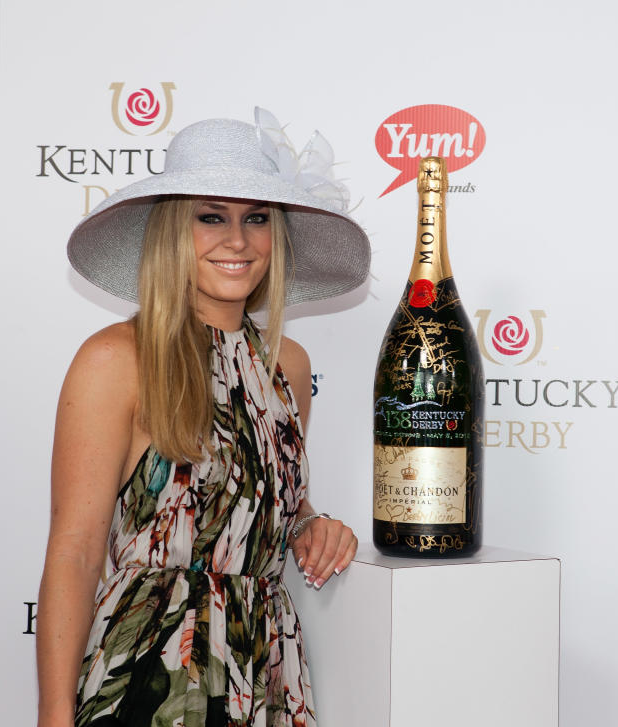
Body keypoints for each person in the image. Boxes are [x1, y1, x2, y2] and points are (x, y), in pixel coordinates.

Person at [36, 108, 371, 727]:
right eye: (210, 217)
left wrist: (312, 527)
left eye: (257, 219)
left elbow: (261, 506)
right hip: (150, 674)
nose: (237, 241)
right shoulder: (117, 360)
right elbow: (76, 550)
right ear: (170, 232)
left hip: (266, 668)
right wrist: (55, 715)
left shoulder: (287, 366)